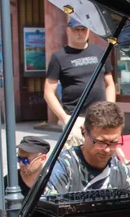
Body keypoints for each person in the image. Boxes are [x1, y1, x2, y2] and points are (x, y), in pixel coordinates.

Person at [43, 16, 116, 150]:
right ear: (68, 31)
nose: (81, 33)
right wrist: (65, 118)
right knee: (76, 161)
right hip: (75, 118)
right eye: (77, 30)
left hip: (101, 118)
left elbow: (110, 84)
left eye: (84, 29)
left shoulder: (100, 52)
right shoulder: (59, 57)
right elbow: (48, 92)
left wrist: (110, 109)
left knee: (102, 155)